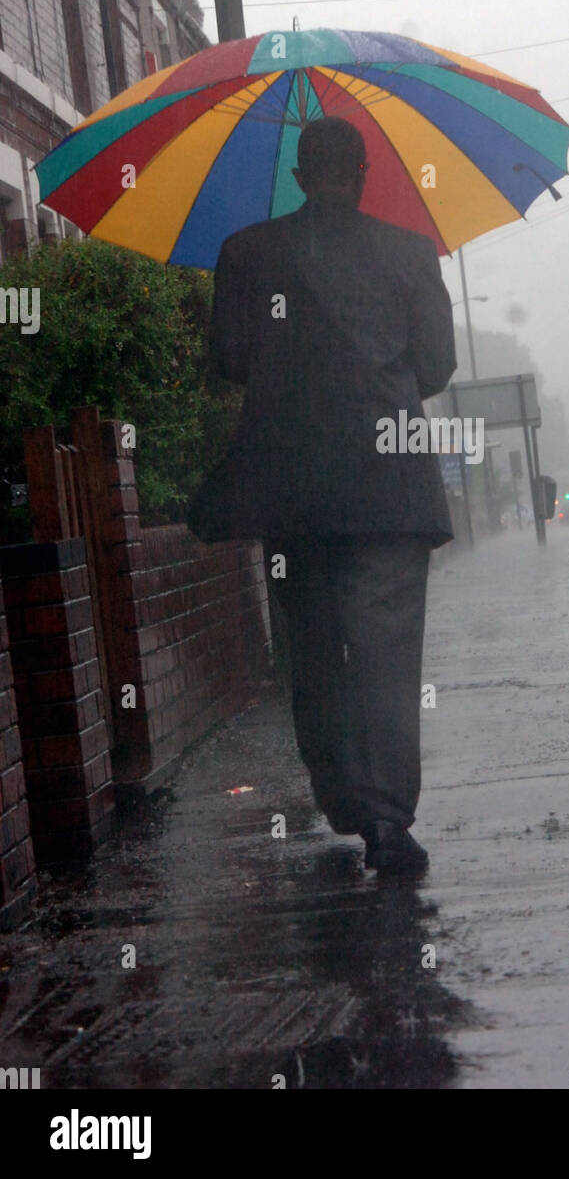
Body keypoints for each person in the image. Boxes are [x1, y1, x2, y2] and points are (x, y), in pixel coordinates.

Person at [189, 116, 456, 875]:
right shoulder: (409, 253)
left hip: (294, 487)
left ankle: (339, 795)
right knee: (384, 656)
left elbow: (229, 360)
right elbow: (434, 365)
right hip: (390, 487)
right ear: (364, 172)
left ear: (300, 177)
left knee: (313, 649)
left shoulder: (246, 253)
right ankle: (386, 819)